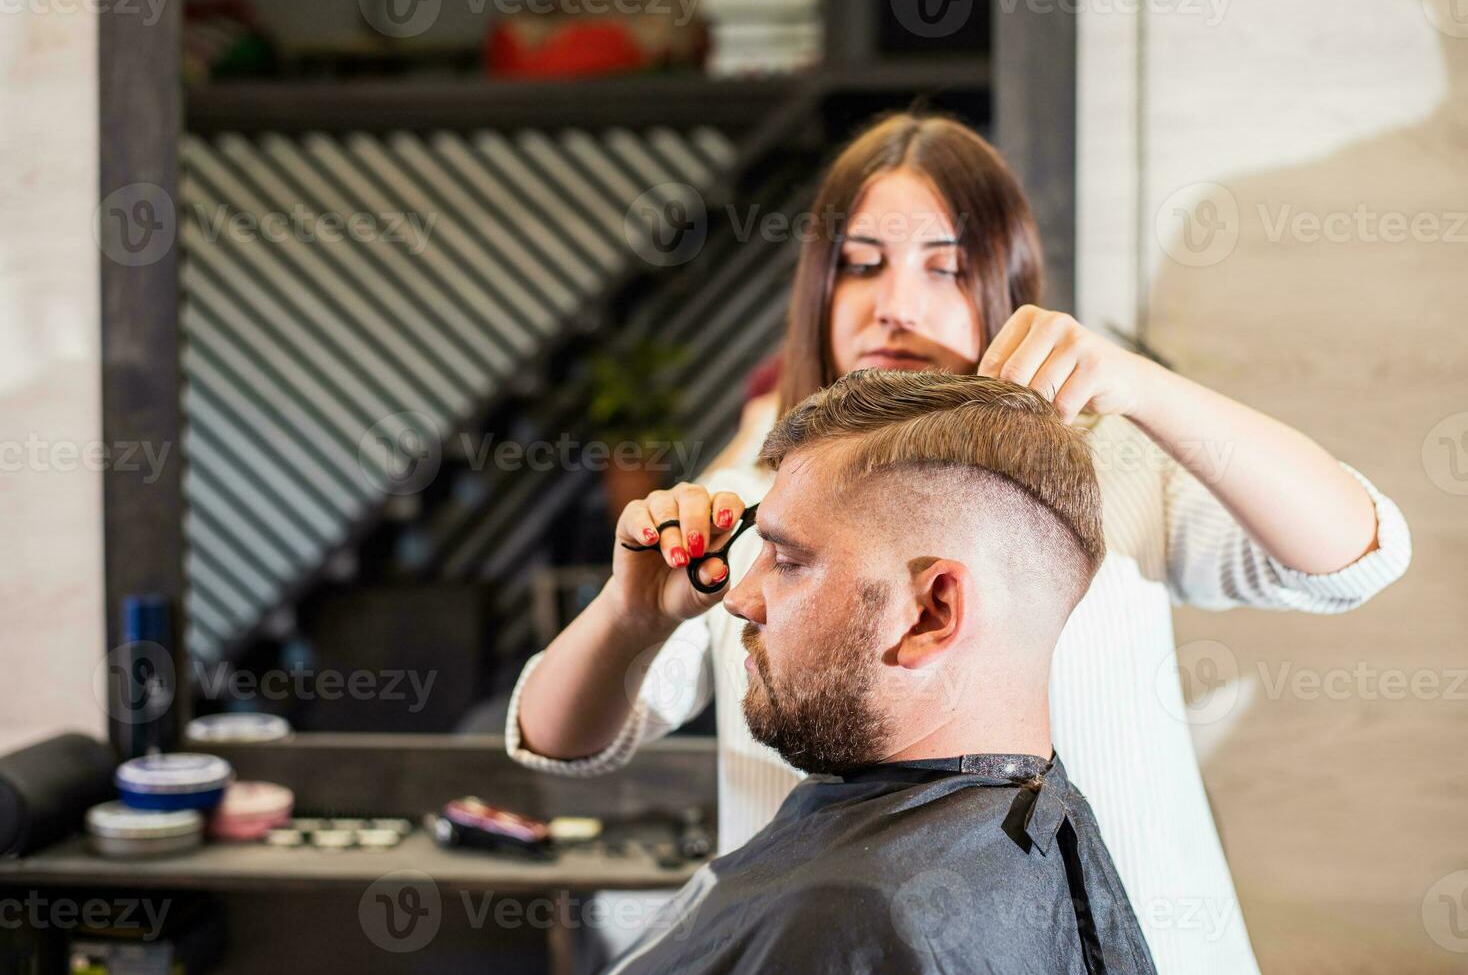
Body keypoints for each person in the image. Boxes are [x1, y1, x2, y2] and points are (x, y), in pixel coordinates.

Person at [507, 112, 1412, 974]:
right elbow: (560, 745)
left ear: (1005, 290)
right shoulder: (752, 512)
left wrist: (1142, 388)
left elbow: (1357, 555)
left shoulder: (1107, 474)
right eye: (861, 266)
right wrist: (631, 617)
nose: (894, 306)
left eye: (946, 268)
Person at [606, 369, 1155, 975]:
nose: (740, 597)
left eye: (786, 561)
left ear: (931, 613)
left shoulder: (857, 915)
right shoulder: (1036, 833)